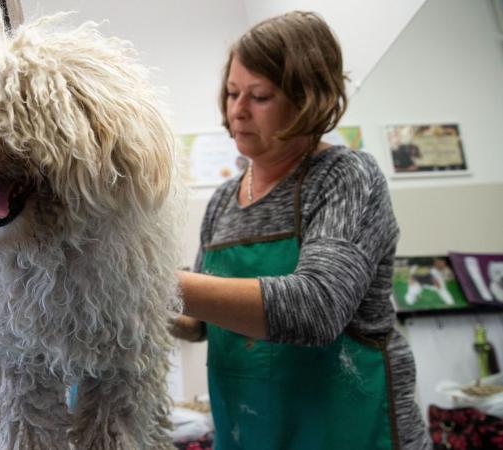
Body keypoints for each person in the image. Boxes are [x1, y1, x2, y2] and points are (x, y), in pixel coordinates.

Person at [171, 11, 430, 450]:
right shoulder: (223, 201)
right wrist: (119, 294)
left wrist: (157, 284)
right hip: (252, 432)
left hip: (348, 430)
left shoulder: (345, 177)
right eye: (232, 93)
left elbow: (317, 308)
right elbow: (199, 321)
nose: (237, 110)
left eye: (260, 96)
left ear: (307, 99)